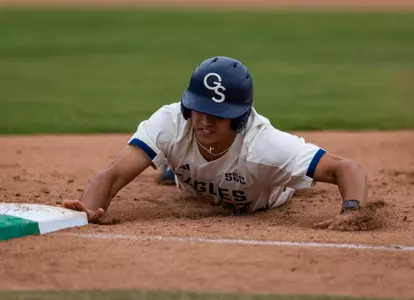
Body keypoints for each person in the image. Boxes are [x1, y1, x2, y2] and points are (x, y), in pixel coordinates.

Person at [63, 56, 369, 231]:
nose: (205, 121)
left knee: (290, 174)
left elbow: (347, 168)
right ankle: (178, 169)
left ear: (238, 118)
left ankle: (178, 169)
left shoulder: (267, 149)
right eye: (199, 110)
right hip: (198, 175)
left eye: (217, 115)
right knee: (178, 154)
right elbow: (113, 175)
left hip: (264, 187)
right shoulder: (170, 123)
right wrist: (88, 209)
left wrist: (353, 212)